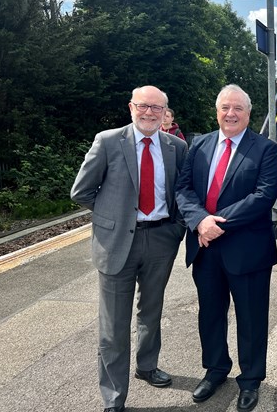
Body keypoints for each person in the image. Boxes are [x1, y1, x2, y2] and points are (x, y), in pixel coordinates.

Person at [70, 85, 188, 412]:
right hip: (117, 242)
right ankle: (114, 398)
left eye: (156, 108)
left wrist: (175, 229)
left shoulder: (176, 146)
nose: (149, 113)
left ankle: (147, 366)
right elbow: (81, 191)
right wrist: (114, 216)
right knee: (113, 327)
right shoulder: (108, 141)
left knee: (152, 311)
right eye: (143, 106)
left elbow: (182, 193)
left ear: (165, 112)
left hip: (161, 240)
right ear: (131, 107)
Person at [175, 84, 277, 412]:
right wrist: (199, 222)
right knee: (210, 314)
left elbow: (264, 196)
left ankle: (250, 380)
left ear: (249, 114)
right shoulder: (200, 144)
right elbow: (183, 189)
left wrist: (214, 223)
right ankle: (216, 369)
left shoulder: (264, 148)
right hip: (205, 248)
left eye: (238, 109)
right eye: (225, 108)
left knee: (251, 318)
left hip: (246, 249)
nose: (231, 114)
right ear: (217, 111)